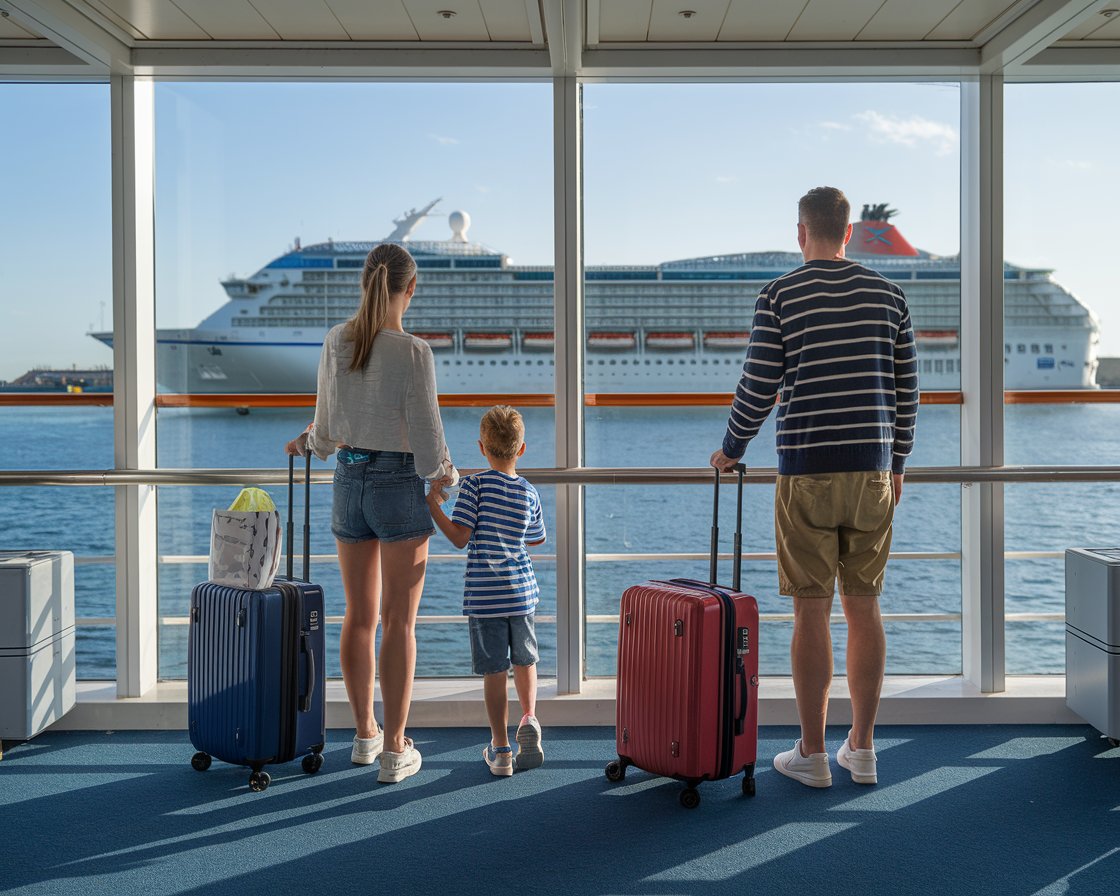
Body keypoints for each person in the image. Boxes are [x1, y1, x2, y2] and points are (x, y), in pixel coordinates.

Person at [710, 186, 918, 788]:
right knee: (864, 609)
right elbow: (909, 394)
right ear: (849, 232)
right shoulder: (891, 296)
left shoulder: (779, 294)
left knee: (810, 612)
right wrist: (896, 462)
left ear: (801, 233)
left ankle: (812, 753)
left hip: (806, 470)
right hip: (874, 472)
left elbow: (757, 385)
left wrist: (732, 450)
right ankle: (865, 748)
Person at [286, 242, 457, 785]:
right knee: (399, 622)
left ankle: (364, 736)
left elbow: (328, 424)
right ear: (410, 290)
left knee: (359, 617)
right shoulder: (412, 351)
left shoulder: (338, 340)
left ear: (364, 284)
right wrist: (446, 477)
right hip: (397, 483)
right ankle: (396, 747)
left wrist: (308, 444)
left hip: (347, 480)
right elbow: (428, 437)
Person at [425, 405, 546, 777]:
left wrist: (433, 506)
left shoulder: (475, 486)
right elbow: (537, 539)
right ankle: (530, 718)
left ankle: (501, 748)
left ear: (482, 447)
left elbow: (461, 538)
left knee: (495, 672)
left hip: (485, 595)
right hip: (522, 592)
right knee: (525, 661)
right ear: (521, 449)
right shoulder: (528, 491)